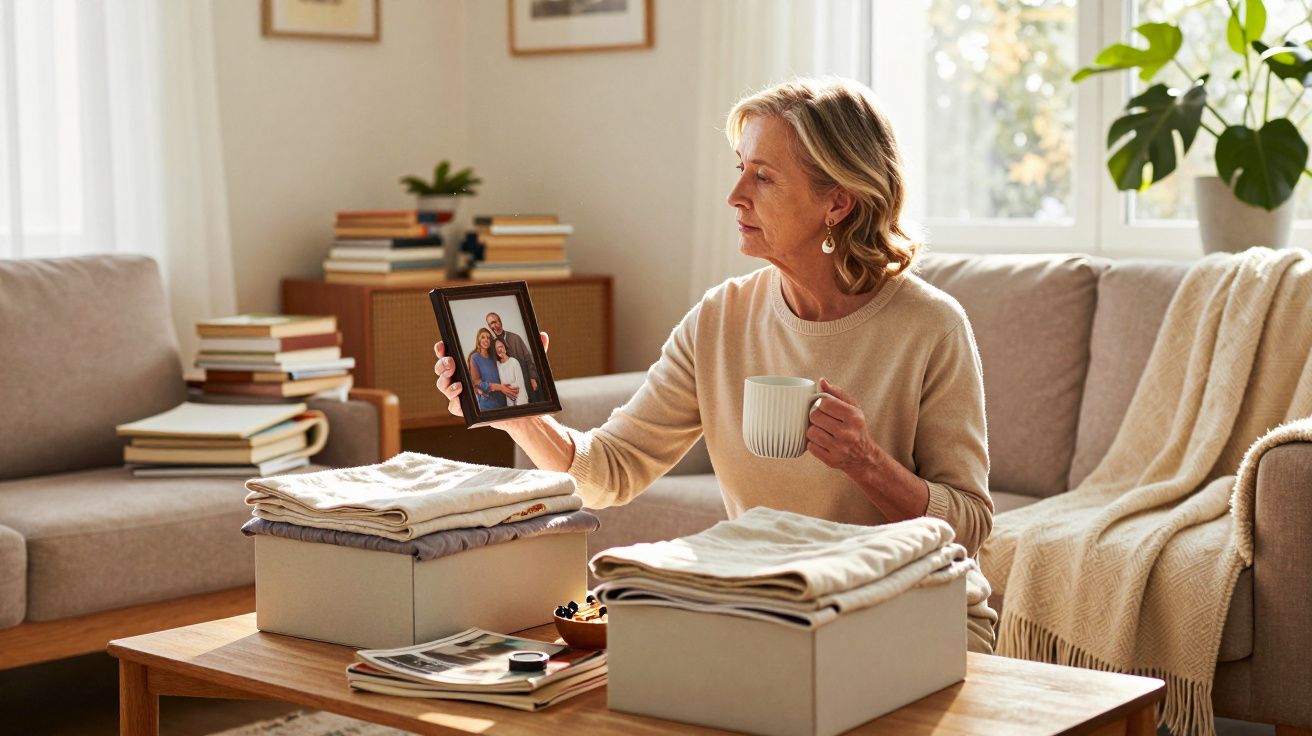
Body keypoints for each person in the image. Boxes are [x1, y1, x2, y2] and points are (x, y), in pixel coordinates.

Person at [435, 78, 992, 641]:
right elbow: (611, 470)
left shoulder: (931, 326)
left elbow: (969, 525)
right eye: (740, 167)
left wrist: (865, 461)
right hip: (777, 606)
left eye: (764, 176)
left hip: (908, 608)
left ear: (838, 201)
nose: (736, 195)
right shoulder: (721, 318)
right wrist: (521, 416)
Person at [486, 312, 541, 402]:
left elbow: (528, 359)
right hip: (509, 389)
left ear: (500, 322)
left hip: (526, 381)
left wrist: (533, 378)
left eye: (494, 322)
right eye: (490, 324)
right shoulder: (492, 346)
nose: (492, 326)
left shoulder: (515, 338)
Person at [467, 327, 517, 411]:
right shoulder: (475, 357)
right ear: (478, 339)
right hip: (488, 404)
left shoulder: (493, 357)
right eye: (483, 337)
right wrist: (500, 387)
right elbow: (477, 383)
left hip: (504, 402)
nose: (486, 340)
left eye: (488, 337)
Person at [493, 338, 529, 407]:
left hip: (522, 401)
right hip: (510, 403)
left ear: (505, 348)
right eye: (497, 348)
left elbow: (519, 382)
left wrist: (505, 388)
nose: (500, 350)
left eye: (501, 347)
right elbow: (502, 384)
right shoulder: (498, 365)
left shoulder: (514, 361)